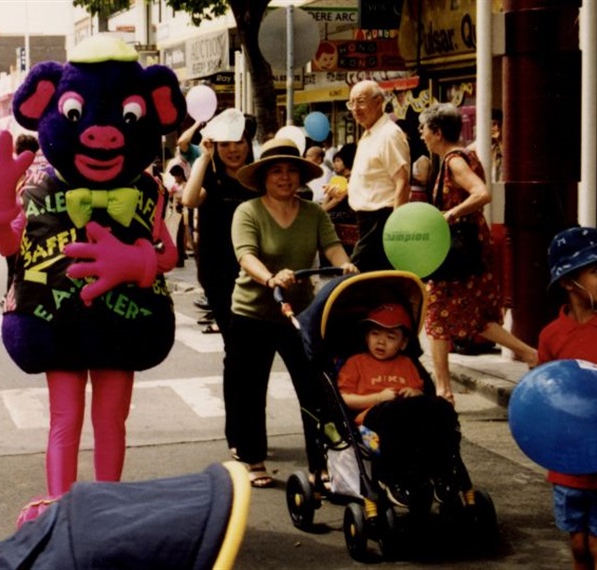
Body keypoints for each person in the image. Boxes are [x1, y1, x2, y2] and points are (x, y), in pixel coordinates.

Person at [226, 137, 358, 487]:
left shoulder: (314, 213)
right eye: (276, 171)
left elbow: (332, 248)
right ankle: (253, 459)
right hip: (252, 313)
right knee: (250, 389)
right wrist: (270, 278)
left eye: (291, 171)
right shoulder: (248, 211)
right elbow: (245, 255)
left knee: (314, 387)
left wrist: (345, 266)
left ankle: (322, 461)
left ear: (300, 177)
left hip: (298, 313)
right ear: (264, 178)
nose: (284, 178)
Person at [417, 103, 537, 405]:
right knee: (479, 316)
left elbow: (482, 192)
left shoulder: (455, 161)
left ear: (438, 132)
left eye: (424, 129)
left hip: (458, 250)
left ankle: (444, 391)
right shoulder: (463, 156)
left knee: (438, 314)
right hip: (471, 249)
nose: (421, 135)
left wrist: (450, 214)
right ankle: (531, 354)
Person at [337, 303, 460, 507]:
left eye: (391, 337)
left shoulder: (407, 364)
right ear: (366, 336)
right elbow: (343, 399)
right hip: (368, 427)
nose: (381, 341)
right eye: (375, 333)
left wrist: (415, 393)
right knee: (389, 414)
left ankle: (444, 473)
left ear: (403, 343)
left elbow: (420, 396)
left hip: (407, 424)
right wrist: (377, 398)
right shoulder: (356, 363)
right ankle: (397, 479)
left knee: (440, 408)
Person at [537, 226, 597, 570]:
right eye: (596, 271)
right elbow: (543, 397)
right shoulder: (552, 336)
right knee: (578, 544)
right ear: (567, 281)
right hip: (567, 465)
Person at [183, 109, 254, 340]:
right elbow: (189, 199)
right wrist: (203, 157)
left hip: (255, 272)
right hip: (217, 273)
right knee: (233, 340)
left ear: (248, 144)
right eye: (224, 144)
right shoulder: (210, 180)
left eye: (239, 142)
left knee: (249, 343)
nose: (233, 150)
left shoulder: (258, 180)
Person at [346, 80, 410, 271]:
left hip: (381, 220)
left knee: (354, 277)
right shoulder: (369, 134)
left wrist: (396, 228)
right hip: (366, 220)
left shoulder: (388, 134)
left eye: (361, 102)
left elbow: (402, 182)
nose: (355, 109)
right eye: (351, 103)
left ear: (378, 102)